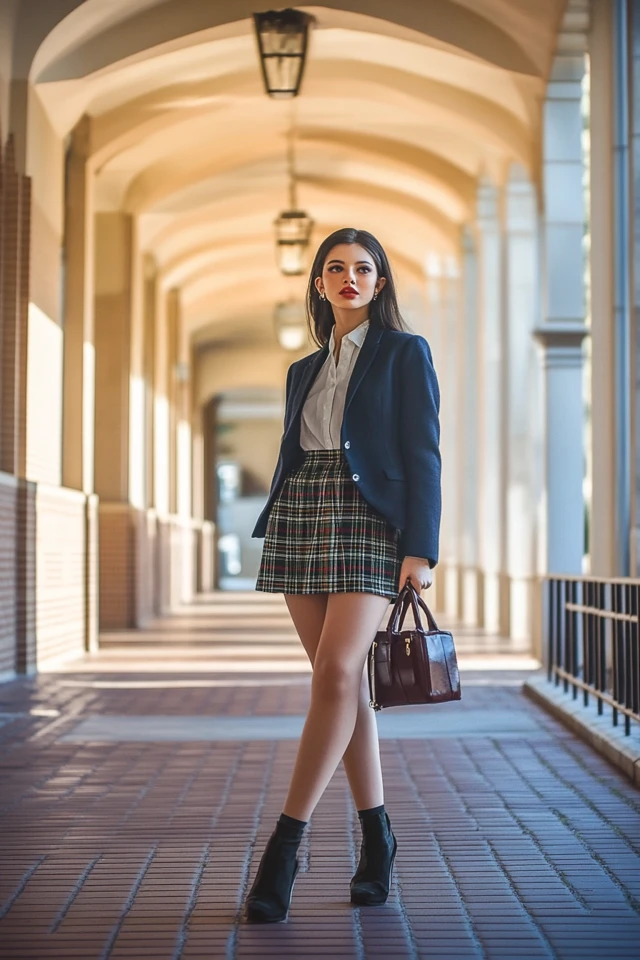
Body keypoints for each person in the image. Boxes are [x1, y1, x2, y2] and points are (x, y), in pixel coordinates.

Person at [245, 227, 441, 923]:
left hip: (368, 520)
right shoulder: (303, 368)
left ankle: (284, 847)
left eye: (363, 269)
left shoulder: (404, 353)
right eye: (336, 268)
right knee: (344, 686)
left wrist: (419, 548)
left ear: (380, 283)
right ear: (320, 285)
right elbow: (294, 450)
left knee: (333, 677)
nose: (350, 278)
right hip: (304, 512)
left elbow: (424, 453)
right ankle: (377, 838)